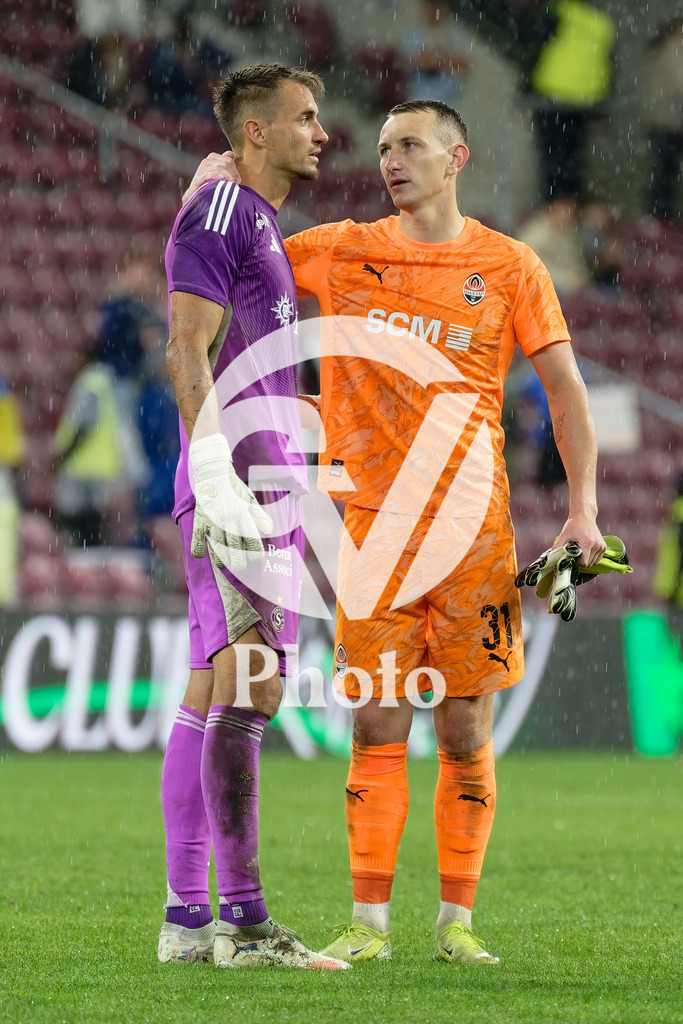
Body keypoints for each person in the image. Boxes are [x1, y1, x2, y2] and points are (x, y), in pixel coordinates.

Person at [183, 98, 606, 965]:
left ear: (456, 157)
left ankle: (455, 921)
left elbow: (564, 391)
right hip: (371, 536)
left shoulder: (510, 265)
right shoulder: (340, 249)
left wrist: (582, 510)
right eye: (381, 148)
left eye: (409, 145)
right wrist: (204, 189)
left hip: (475, 537)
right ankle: (367, 925)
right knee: (376, 726)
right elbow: (232, 265)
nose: (390, 161)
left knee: (462, 730)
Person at [158, 62, 347, 971]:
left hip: (258, 479)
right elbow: (183, 345)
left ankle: (188, 920)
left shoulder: (255, 219)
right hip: (236, 480)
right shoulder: (226, 210)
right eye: (304, 118)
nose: (321, 132)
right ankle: (243, 922)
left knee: (213, 687)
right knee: (254, 689)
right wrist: (219, 474)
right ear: (256, 133)